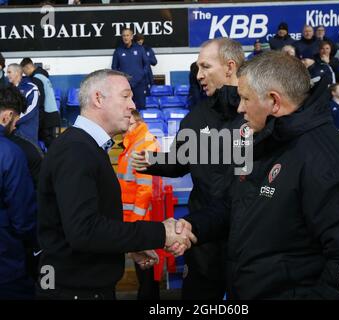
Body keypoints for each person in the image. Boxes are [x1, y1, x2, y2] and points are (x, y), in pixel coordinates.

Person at [171, 51, 339, 299]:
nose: (239, 108)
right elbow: (239, 204)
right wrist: (194, 225)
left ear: (274, 101)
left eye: (245, 98)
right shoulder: (268, 143)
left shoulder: (333, 167)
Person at [36, 69, 195, 300]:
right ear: (99, 99)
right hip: (73, 290)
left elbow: (92, 221)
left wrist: (130, 245)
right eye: (125, 96)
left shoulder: (87, 147)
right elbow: (84, 231)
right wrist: (160, 232)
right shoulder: (75, 150)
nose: (133, 105)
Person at [131, 38, 245, 300]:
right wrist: (153, 162)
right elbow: (181, 161)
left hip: (248, 238)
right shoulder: (197, 117)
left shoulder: (258, 113)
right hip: (203, 236)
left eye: (205, 67)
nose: (199, 75)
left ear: (229, 66)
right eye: (197, 68)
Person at [117, 110, 161, 300]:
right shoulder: (131, 143)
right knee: (145, 275)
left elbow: (145, 189)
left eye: (131, 123)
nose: (127, 127)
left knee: (148, 276)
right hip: (137, 219)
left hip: (144, 220)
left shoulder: (143, 143)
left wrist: (135, 223)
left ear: (138, 121)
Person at [0, 85, 37, 300]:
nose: (15, 128)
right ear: (8, 115)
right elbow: (23, 218)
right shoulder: (11, 153)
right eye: (15, 121)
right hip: (6, 262)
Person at [20, 58, 61, 148]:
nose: (25, 74)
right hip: (54, 116)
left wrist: (38, 123)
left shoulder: (36, 79)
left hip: (47, 118)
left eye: (24, 71)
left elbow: (40, 102)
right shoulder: (43, 76)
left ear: (27, 67)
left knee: (50, 148)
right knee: (55, 147)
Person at [112, 28, 149, 109]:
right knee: (125, 109)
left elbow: (146, 64)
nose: (126, 37)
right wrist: (122, 80)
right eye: (124, 36)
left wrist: (141, 75)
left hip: (139, 84)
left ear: (132, 37)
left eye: (128, 35)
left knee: (140, 109)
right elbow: (114, 68)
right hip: (124, 86)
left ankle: (138, 122)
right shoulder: (118, 51)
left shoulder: (140, 49)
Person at [6, 64, 39, 146]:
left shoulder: (31, 88)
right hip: (10, 131)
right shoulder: (8, 89)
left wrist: (14, 120)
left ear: (17, 73)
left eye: (9, 72)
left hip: (27, 131)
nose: (7, 75)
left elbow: (32, 109)